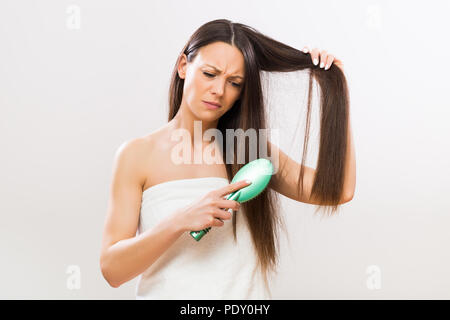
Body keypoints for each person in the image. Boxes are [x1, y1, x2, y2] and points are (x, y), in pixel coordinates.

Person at [100, 19, 355, 299]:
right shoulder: (137, 155)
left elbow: (338, 190)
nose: (219, 91)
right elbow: (113, 270)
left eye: (234, 83)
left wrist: (336, 91)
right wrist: (180, 221)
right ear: (183, 66)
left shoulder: (251, 151)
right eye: (210, 74)